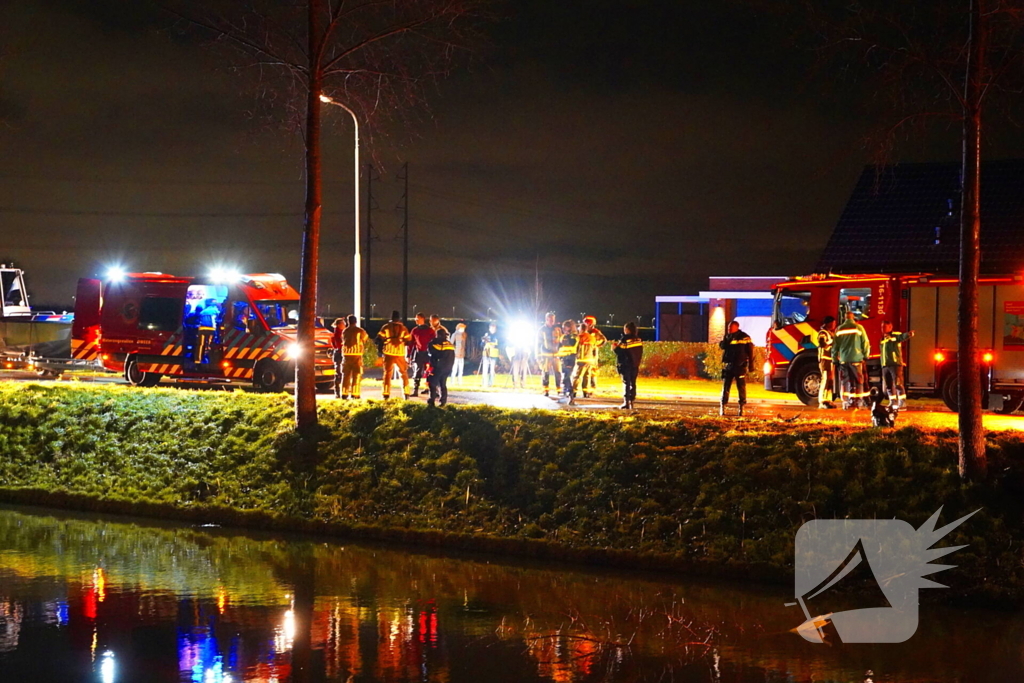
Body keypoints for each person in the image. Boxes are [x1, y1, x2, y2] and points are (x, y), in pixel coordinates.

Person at [834, 310, 871, 409]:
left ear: (845, 318)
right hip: (856, 359)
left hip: (843, 360)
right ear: (853, 317)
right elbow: (865, 343)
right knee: (859, 381)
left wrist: (835, 359)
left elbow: (835, 347)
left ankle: (846, 403)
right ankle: (858, 402)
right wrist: (865, 355)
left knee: (844, 381)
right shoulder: (859, 328)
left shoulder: (839, 329)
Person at [719, 320, 754, 416]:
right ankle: (723, 406)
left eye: (731, 327)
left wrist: (751, 365)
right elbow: (723, 347)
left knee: (741, 387)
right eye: (728, 328)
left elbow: (750, 351)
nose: (729, 329)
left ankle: (742, 407)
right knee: (726, 387)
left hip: (740, 366)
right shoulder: (727, 337)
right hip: (729, 366)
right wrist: (725, 340)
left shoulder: (744, 337)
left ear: (736, 327)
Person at [376, 311, 412, 400]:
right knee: (403, 373)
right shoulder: (403, 328)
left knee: (387, 374)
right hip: (400, 353)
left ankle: (386, 394)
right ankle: (406, 393)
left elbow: (378, 339)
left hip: (388, 353)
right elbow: (409, 340)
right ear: (399, 318)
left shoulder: (386, 327)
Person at [880, 320, 914, 409]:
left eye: (884, 327)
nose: (882, 329)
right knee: (888, 386)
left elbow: (901, 337)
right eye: (882, 327)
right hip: (885, 365)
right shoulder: (882, 339)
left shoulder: (895, 335)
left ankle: (902, 403)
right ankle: (893, 402)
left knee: (898, 384)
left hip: (895, 365)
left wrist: (908, 334)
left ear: (890, 327)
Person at [572, 315, 605, 399]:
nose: (586, 324)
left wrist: (595, 346)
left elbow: (603, 340)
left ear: (591, 324)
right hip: (588, 356)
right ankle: (586, 391)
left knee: (591, 373)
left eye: (587, 323)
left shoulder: (595, 332)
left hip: (591, 355)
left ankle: (591, 390)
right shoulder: (585, 333)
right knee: (587, 374)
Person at [613, 322, 644, 409]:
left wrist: (614, 348)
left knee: (626, 383)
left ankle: (626, 402)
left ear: (627, 329)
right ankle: (631, 401)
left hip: (625, 364)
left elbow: (621, 352)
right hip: (635, 364)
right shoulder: (638, 339)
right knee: (633, 382)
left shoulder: (625, 339)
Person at [340, 314, 369, 400]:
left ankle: (344, 393)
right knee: (356, 375)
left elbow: (343, 340)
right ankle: (355, 394)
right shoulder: (360, 331)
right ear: (356, 321)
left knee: (346, 375)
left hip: (346, 355)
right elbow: (365, 339)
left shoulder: (345, 331)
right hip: (356, 355)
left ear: (348, 322)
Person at [427, 329, 456, 407]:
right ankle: (443, 401)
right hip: (448, 367)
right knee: (442, 384)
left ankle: (431, 400)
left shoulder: (435, 343)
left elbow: (432, 353)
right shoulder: (450, 344)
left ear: (438, 335)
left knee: (432, 383)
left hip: (438, 367)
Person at [536, 312, 562, 397]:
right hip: (546, 355)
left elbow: (562, 341)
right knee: (545, 373)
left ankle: (559, 390)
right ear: (546, 319)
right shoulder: (541, 330)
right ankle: (546, 390)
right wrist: (538, 356)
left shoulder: (557, 329)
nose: (552, 321)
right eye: (550, 320)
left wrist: (561, 353)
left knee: (558, 373)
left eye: (553, 320)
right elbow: (538, 344)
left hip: (556, 355)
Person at [409, 313, 435, 396]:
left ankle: (430, 390)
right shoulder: (414, 330)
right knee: (417, 371)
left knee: (429, 371)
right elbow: (411, 343)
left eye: (417, 319)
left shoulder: (430, 330)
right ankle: (415, 390)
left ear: (422, 319)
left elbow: (434, 342)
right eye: (415, 319)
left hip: (428, 353)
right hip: (418, 353)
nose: (415, 320)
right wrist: (409, 355)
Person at [816, 316, 838, 409]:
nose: (834, 325)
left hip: (830, 359)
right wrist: (833, 342)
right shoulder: (823, 333)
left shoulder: (830, 333)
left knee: (830, 381)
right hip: (825, 359)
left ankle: (828, 400)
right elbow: (822, 344)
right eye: (833, 323)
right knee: (825, 380)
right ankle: (822, 401)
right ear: (828, 323)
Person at [557, 320, 579, 403]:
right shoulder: (564, 336)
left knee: (567, 377)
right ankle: (566, 394)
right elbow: (559, 346)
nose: (563, 329)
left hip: (570, 359)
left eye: (565, 327)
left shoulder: (574, 337)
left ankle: (571, 395)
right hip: (563, 359)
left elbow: (572, 347)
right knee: (565, 377)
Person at [195, 298, 221, 364]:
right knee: (209, 345)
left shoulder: (203, 311)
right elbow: (219, 320)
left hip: (201, 329)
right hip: (211, 329)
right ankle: (209, 360)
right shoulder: (216, 310)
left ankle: (198, 360)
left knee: (200, 345)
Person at [329, 317, 346, 397]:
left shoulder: (341, 333)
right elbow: (339, 345)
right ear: (339, 325)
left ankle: (340, 391)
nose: (345, 325)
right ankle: (337, 392)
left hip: (340, 353)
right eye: (343, 323)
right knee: (339, 373)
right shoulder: (338, 334)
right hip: (339, 354)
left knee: (341, 373)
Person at [480, 323, 500, 387]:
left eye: (494, 328)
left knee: (492, 370)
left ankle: (490, 383)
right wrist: (483, 342)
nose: (492, 329)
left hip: (494, 355)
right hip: (486, 354)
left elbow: (501, 345)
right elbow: (481, 345)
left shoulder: (498, 336)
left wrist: (495, 346)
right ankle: (484, 383)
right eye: (491, 328)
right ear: (489, 328)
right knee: (485, 369)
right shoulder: (486, 335)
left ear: (495, 329)